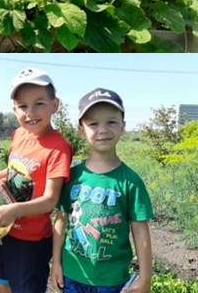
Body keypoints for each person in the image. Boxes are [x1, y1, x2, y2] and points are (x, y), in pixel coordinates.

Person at [52, 89, 153, 293]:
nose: (103, 130)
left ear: (123, 126)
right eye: (93, 123)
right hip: (73, 273)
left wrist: (145, 277)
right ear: (81, 129)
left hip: (112, 279)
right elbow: (61, 220)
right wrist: (56, 263)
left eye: (111, 122)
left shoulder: (130, 182)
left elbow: (141, 232)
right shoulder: (72, 177)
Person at [0, 69, 73, 293]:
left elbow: (49, 200)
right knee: (2, 283)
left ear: (54, 105)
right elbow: (14, 171)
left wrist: (14, 209)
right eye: (23, 106)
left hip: (33, 240)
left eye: (39, 104)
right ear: (14, 109)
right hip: (8, 231)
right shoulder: (20, 134)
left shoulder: (58, 148)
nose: (30, 112)